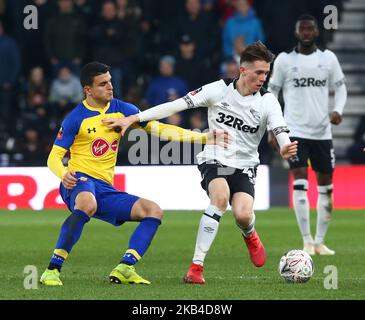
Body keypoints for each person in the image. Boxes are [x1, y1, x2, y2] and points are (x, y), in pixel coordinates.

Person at [103, 41, 298, 284]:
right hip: (214, 157)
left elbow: (279, 128)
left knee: (243, 215)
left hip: (246, 164)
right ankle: (195, 268)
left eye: (266, 73)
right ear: (243, 70)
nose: (263, 78)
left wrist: (284, 145)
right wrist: (135, 117)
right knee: (220, 198)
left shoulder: (267, 101)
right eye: (259, 72)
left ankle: (249, 234)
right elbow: (176, 105)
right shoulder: (218, 90)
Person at [40, 62, 228, 286]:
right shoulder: (75, 118)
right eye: (103, 84)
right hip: (79, 181)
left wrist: (204, 137)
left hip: (105, 188)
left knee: (153, 211)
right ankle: (52, 269)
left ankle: (125, 267)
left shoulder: (123, 110)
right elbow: (53, 157)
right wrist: (63, 174)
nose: (110, 86)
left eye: (110, 81)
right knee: (87, 203)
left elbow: (160, 129)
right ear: (88, 90)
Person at [269, 15, 347, 256]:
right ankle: (306, 240)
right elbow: (272, 92)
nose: (305, 32)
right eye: (301, 28)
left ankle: (319, 242)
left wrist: (338, 110)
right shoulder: (284, 60)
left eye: (309, 28)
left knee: (326, 188)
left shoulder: (328, 59)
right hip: (295, 132)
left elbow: (341, 87)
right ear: (296, 32)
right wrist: (274, 127)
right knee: (300, 181)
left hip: (322, 133)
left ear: (316, 32)